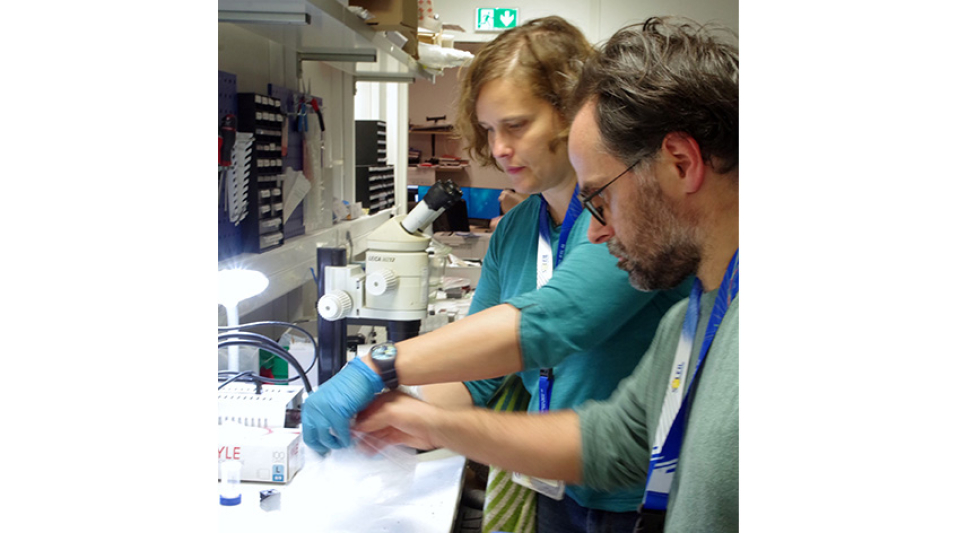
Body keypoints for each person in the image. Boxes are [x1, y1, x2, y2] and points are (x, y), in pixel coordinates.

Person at [301, 16, 692, 533]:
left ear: (570, 114)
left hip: (639, 497)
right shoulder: (516, 231)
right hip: (556, 483)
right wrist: (387, 419)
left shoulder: (623, 220)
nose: (500, 147)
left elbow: (554, 322)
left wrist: (379, 366)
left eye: (516, 125)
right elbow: (478, 376)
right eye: (489, 129)